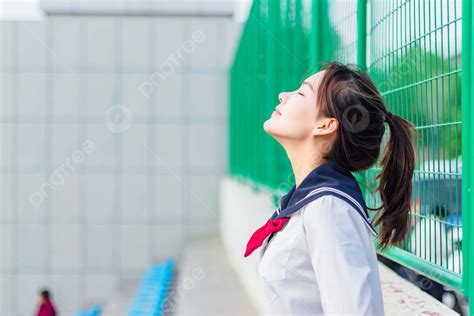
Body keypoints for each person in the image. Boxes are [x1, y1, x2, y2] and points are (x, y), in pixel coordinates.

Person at [244, 61, 415, 315]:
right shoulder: (311, 201)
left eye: (301, 93)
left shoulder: (329, 208)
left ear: (325, 125)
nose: (283, 95)